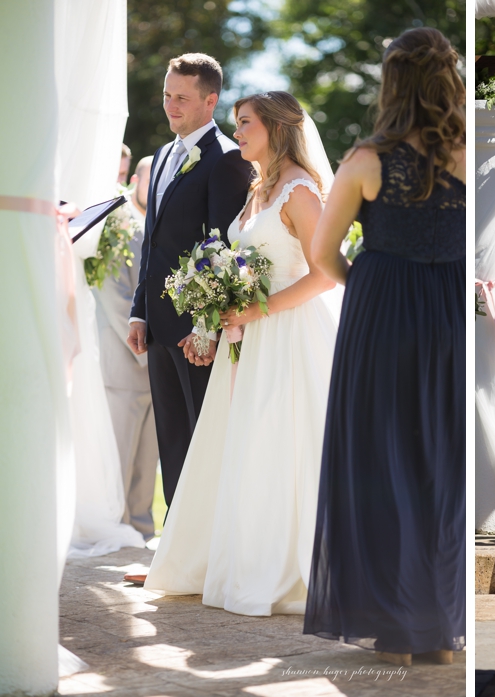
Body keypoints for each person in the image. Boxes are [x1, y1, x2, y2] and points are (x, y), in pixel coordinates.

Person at [304, 27, 466, 666]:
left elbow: (322, 253)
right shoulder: (464, 152)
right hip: (447, 315)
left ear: (391, 83)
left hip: (382, 319)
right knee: (440, 467)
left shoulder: (366, 160)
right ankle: (440, 632)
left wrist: (370, 287)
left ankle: (396, 629)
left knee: (382, 465)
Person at [143, 91, 339, 616]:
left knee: (288, 444)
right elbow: (240, 273)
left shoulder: (300, 190)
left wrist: (260, 312)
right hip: (251, 337)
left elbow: (327, 273)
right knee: (250, 446)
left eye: (246, 123)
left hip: (291, 333)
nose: (240, 132)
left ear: (275, 128)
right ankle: (242, 559)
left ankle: (292, 571)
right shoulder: (259, 188)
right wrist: (210, 323)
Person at [126, 53, 253, 522]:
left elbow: (223, 248)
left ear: (210, 100)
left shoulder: (228, 159)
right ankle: (175, 555)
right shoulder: (160, 157)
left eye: (182, 97)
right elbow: (153, 243)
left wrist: (206, 326)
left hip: (198, 332)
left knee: (206, 439)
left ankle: (211, 553)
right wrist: (140, 311)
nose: (170, 105)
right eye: (167, 95)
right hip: (158, 326)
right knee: (173, 440)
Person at [95, 155, 159, 539]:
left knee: (148, 456)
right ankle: (115, 527)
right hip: (124, 356)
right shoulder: (117, 225)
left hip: (156, 362)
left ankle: (142, 527)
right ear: (135, 179)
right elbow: (113, 295)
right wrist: (144, 347)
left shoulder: (161, 225)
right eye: (148, 180)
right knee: (118, 451)